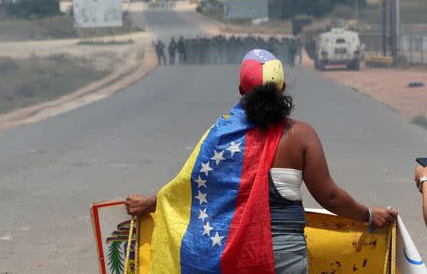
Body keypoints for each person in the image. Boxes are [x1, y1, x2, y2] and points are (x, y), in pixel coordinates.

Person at [126, 49, 397, 273]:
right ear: (282, 87)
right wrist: (370, 214)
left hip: (235, 255)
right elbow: (330, 197)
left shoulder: (220, 136)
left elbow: (190, 188)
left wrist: (149, 203)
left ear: (241, 89)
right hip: (286, 257)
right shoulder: (301, 135)